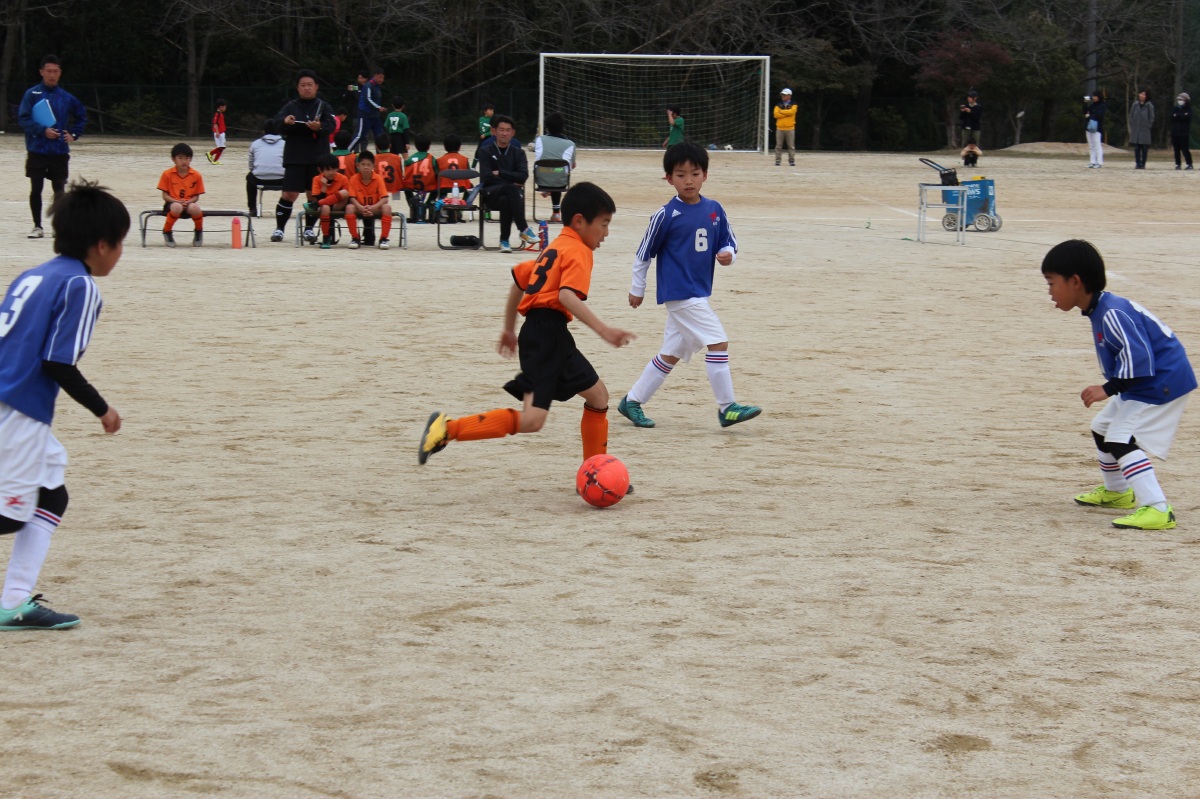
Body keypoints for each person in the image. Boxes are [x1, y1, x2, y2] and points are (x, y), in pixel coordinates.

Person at [418, 182, 637, 470]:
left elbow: (519, 281)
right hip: (548, 335)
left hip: (541, 333)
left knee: (598, 396)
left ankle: (593, 470)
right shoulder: (579, 251)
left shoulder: (555, 247)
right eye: (604, 224)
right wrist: (604, 330)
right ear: (579, 221)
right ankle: (448, 429)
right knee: (533, 420)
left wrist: (509, 329)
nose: (606, 233)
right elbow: (566, 296)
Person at [0, 180, 128, 630]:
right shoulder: (80, 285)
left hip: (11, 402)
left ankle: (15, 601)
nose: (120, 254)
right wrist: (102, 409)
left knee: (52, 492)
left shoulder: (34, 274)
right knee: (8, 515)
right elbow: (58, 362)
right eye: (120, 244)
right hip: (16, 407)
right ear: (101, 245)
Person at [1041, 239, 1196, 530]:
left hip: (1161, 382)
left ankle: (1158, 508)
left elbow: (1140, 360)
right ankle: (1117, 492)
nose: (1049, 291)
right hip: (1147, 381)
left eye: (1051, 283)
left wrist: (1107, 389)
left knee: (1119, 439)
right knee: (1102, 428)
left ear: (1075, 281)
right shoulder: (1100, 308)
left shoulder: (1111, 312)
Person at [617, 141, 761, 431]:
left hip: (699, 291)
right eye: (680, 175)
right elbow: (644, 253)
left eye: (695, 174)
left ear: (705, 175)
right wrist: (637, 288)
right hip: (680, 292)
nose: (689, 181)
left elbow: (729, 241)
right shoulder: (665, 214)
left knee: (670, 354)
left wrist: (728, 255)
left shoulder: (714, 209)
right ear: (669, 178)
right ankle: (727, 408)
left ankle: (632, 401)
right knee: (718, 342)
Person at [17, 54, 86, 239]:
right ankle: (37, 226)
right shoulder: (32, 94)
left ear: (60, 73)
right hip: (37, 149)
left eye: (55, 71)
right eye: (48, 71)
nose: (52, 75)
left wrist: (74, 134)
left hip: (59, 151)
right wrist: (42, 130)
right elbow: (23, 119)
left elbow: (81, 115)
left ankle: (59, 226)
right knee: (36, 188)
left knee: (59, 189)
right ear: (41, 72)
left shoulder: (66, 97)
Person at [270, 69, 336, 243]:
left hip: (318, 157)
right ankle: (279, 229)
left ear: (316, 86)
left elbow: (331, 125)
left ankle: (309, 230)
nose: (307, 88)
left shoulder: (324, 106)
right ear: (298, 88)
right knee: (288, 194)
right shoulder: (290, 106)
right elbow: (276, 122)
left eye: (310, 85)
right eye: (303, 85)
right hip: (295, 156)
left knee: (313, 195)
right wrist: (285, 122)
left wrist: (319, 127)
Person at [478, 115, 538, 253]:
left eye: (508, 130)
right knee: (510, 188)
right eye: (501, 130)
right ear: (494, 131)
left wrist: (499, 173)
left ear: (513, 133)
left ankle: (504, 241)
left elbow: (523, 176)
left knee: (506, 198)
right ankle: (523, 229)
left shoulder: (519, 153)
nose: (504, 133)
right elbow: (486, 176)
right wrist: (510, 178)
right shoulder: (485, 151)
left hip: (510, 196)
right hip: (491, 193)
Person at [156, 142, 205, 248]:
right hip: (172, 203)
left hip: (188, 203)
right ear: (173, 159)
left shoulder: (196, 175)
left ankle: (198, 231)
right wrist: (176, 201)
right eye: (180, 158)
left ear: (191, 159)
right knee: (177, 207)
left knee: (196, 208)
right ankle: (167, 231)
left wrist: (188, 201)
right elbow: (165, 196)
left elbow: (196, 196)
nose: (184, 161)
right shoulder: (167, 174)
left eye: (187, 158)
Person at [534, 112, 576, 223]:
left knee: (549, 170)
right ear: (563, 127)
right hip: (560, 181)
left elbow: (538, 159)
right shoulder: (570, 144)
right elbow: (572, 166)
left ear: (547, 127)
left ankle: (549, 190)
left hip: (542, 180)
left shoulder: (539, 140)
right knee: (559, 171)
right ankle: (556, 213)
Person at [345, 150, 393, 250]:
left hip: (375, 207)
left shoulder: (378, 178)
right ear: (358, 166)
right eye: (363, 164)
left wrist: (373, 208)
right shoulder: (353, 179)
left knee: (387, 208)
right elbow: (352, 198)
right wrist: (360, 207)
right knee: (349, 208)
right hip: (359, 206)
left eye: (368, 165)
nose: (366, 167)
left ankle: (383, 238)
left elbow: (385, 198)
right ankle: (355, 238)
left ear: (373, 166)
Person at [303, 153, 350, 249]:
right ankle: (326, 237)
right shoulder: (317, 179)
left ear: (337, 168)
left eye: (333, 169)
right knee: (325, 207)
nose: (331, 172)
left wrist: (318, 203)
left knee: (345, 192)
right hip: (324, 205)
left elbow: (347, 195)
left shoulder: (343, 178)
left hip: (338, 205)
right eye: (328, 170)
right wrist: (324, 187)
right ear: (320, 170)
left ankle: (315, 205)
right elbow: (318, 198)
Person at [246, 119, 285, 216]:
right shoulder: (285, 144)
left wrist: (258, 171)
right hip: (282, 180)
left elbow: (251, 164)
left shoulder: (255, 144)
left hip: (259, 179)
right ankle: (285, 206)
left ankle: (252, 208)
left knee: (249, 177)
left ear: (263, 131)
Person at [402, 133, 437, 222]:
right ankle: (428, 205)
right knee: (436, 189)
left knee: (406, 189)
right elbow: (437, 172)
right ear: (429, 147)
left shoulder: (409, 159)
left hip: (412, 185)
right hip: (428, 186)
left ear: (416, 146)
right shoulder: (432, 158)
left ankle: (413, 206)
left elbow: (406, 172)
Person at [436, 134, 472, 221]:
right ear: (459, 147)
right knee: (471, 188)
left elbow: (436, 174)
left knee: (440, 188)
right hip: (461, 186)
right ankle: (461, 208)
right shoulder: (464, 159)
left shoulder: (439, 160)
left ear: (445, 147)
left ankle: (443, 206)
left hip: (444, 186)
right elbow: (468, 173)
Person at [349, 67, 386, 152]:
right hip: (365, 115)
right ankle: (346, 152)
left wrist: (378, 108)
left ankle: (380, 155)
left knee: (379, 136)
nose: (381, 80)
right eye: (380, 77)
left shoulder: (377, 86)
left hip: (375, 116)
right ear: (375, 75)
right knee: (359, 135)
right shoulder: (368, 85)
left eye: (383, 78)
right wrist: (378, 107)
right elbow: (368, 99)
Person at [374, 133, 405, 200]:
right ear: (390, 145)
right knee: (397, 182)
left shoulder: (373, 158)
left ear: (376, 146)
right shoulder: (397, 158)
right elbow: (400, 173)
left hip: (378, 188)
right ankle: (396, 200)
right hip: (394, 187)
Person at [1130, 89, 1155, 169]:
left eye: (1143, 94)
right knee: (1136, 147)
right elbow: (1131, 115)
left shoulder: (1149, 105)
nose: (1141, 95)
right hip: (1136, 128)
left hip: (1145, 129)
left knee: (1144, 148)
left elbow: (1152, 117)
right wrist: (1132, 124)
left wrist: (1149, 125)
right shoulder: (1135, 104)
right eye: (1140, 94)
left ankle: (1143, 163)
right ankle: (1137, 163)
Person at [773, 88, 797, 167]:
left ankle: (791, 160)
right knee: (778, 146)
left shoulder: (794, 104)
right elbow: (776, 114)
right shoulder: (778, 104)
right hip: (780, 128)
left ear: (789, 96)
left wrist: (781, 112)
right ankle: (778, 160)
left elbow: (792, 112)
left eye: (785, 95)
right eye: (782, 95)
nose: (783, 96)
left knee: (791, 146)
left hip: (790, 128)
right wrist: (786, 114)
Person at [1170, 92, 1192, 170]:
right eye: (1179, 99)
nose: (1180, 101)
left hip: (1184, 133)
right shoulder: (1175, 108)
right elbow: (1172, 117)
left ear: (1186, 100)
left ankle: (1189, 164)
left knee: (1185, 149)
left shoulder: (1189, 109)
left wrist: (1177, 116)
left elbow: (1187, 117)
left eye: (1181, 99)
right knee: (1176, 149)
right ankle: (1178, 164)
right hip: (1175, 132)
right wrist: (1181, 116)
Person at [1085, 91, 1106, 169]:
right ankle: (1092, 161)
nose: (1093, 97)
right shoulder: (1092, 105)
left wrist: (1090, 116)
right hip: (1089, 126)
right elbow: (1085, 112)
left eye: (1095, 96)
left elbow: (1099, 115)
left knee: (1097, 145)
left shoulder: (1102, 105)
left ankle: (1099, 162)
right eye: (1093, 96)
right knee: (1091, 145)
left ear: (1099, 97)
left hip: (1097, 127)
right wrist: (1085, 103)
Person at [472, 102, 495, 167]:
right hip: (482, 138)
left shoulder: (493, 120)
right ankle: (473, 167)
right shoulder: (481, 119)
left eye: (493, 111)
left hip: (489, 138)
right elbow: (481, 128)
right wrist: (482, 134)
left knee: (491, 152)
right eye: (490, 110)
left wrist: (485, 134)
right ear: (485, 111)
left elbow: (493, 131)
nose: (492, 112)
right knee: (478, 151)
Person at [207, 98, 227, 164]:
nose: (225, 108)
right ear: (221, 107)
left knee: (221, 147)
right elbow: (215, 124)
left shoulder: (220, 114)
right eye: (225, 107)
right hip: (219, 133)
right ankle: (211, 156)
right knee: (221, 147)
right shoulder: (218, 114)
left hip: (221, 132)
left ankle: (213, 158)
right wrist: (217, 132)